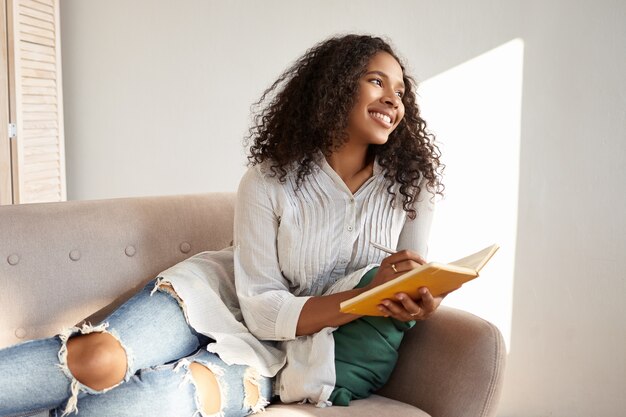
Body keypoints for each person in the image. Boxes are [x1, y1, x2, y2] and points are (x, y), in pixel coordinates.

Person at [0, 34, 444, 417]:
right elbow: (264, 309)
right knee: (97, 359)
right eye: (376, 81)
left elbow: (408, 280)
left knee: (141, 404)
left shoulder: (411, 189)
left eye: (401, 91)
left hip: (282, 357)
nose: (393, 99)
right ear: (334, 87)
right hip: (219, 298)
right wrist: (365, 298)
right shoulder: (269, 180)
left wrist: (419, 304)